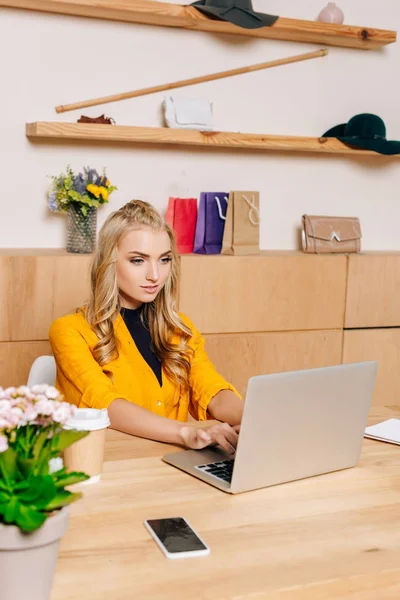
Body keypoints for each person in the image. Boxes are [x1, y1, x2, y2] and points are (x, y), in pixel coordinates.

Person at [49, 200, 243, 455]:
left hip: (172, 466)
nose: (155, 274)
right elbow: (106, 405)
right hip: (108, 466)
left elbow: (211, 390)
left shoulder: (181, 329)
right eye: (138, 260)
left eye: (164, 260)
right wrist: (186, 432)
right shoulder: (69, 331)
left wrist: (257, 418)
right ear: (110, 262)